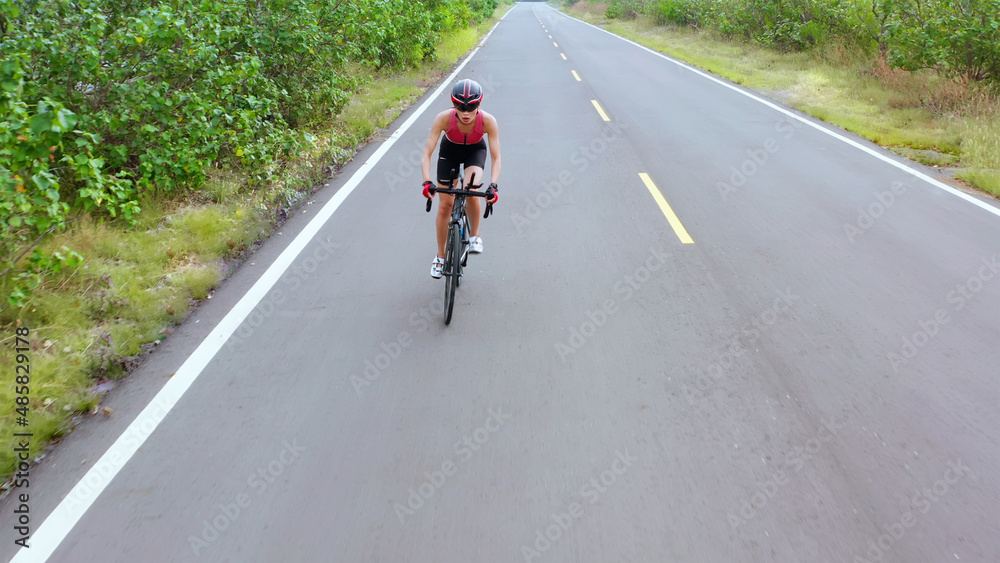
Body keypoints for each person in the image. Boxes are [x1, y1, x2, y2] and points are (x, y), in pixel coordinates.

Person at [421, 78, 501, 279]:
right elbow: (427, 152)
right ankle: (440, 257)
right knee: (445, 206)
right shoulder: (443, 118)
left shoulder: (488, 121)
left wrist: (493, 186)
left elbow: (496, 157)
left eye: (471, 107)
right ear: (453, 103)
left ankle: (474, 236)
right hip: (449, 153)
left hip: (475, 151)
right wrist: (426, 182)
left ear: (479, 104)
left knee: (472, 189)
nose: (466, 113)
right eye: (460, 106)